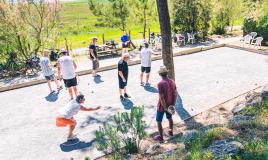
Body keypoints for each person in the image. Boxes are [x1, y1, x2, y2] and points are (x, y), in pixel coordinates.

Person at [154, 66, 177, 142]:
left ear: (160, 74)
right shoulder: (172, 82)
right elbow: (175, 94)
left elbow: (161, 98)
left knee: (158, 121)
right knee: (170, 118)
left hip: (162, 106)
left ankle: (161, 137)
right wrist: (173, 105)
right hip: (170, 104)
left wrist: (164, 108)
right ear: (167, 73)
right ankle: (170, 131)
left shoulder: (160, 84)